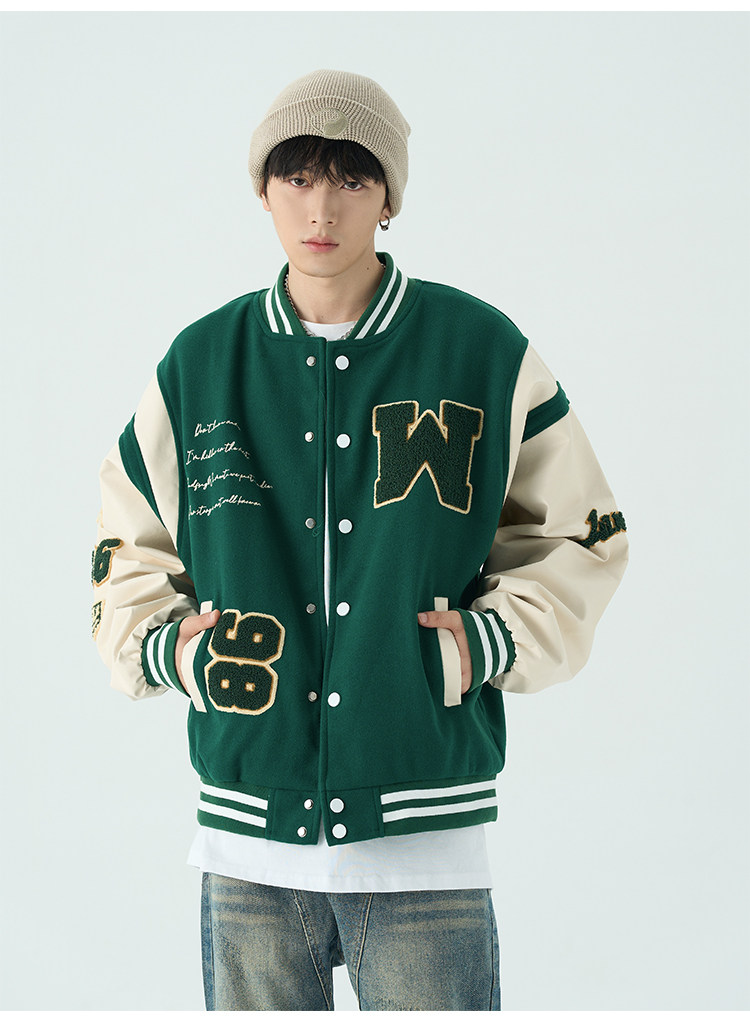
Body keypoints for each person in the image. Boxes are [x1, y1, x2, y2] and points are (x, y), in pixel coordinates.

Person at [91, 69, 628, 1012]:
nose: (321, 207)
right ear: (263, 191)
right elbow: (124, 548)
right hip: (248, 843)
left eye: (351, 177)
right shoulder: (202, 364)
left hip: (424, 843)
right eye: (297, 177)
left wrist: (481, 643)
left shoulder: (479, 349)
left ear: (389, 198)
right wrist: (176, 650)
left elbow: (582, 535)